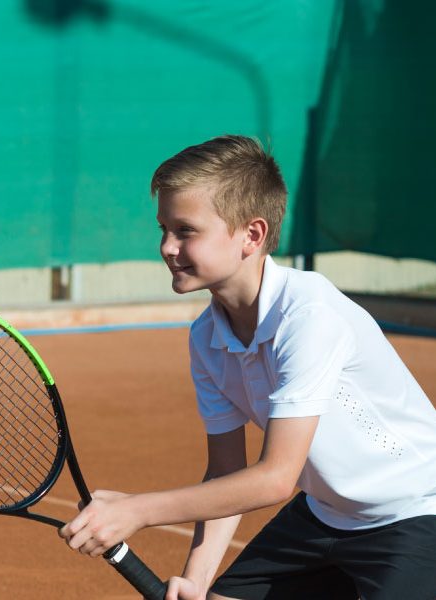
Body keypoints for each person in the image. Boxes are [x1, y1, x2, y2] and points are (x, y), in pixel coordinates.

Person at [58, 135, 436, 600]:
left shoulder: (310, 317)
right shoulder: (206, 337)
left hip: (417, 511)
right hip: (324, 514)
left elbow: (276, 476)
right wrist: (195, 579)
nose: (166, 247)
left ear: (251, 236)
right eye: (163, 229)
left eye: (185, 231)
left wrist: (138, 510)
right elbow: (225, 471)